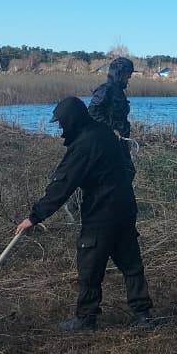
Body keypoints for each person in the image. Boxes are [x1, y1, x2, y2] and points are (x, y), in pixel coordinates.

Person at [16, 96, 155, 332]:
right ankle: (144, 315)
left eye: (62, 123)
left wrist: (35, 217)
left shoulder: (84, 145)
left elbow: (62, 184)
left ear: (73, 120)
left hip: (103, 211)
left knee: (90, 264)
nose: (60, 128)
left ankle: (86, 318)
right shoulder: (103, 132)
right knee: (130, 262)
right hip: (125, 205)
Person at [89, 56, 134, 138]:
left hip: (120, 140)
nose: (129, 77)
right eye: (128, 74)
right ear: (120, 73)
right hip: (106, 140)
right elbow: (93, 112)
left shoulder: (119, 91)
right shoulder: (106, 90)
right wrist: (111, 128)